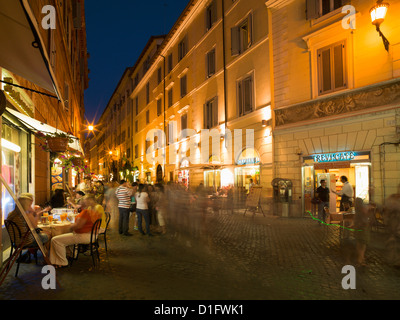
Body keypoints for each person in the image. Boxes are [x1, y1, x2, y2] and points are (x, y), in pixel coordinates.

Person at [49, 197, 102, 268]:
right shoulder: (94, 211)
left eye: (81, 201)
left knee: (55, 240)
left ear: (83, 203)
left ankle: (62, 262)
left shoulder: (85, 212)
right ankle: (72, 254)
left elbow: (77, 226)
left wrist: (70, 226)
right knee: (66, 236)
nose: (79, 203)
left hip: (83, 236)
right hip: (92, 235)